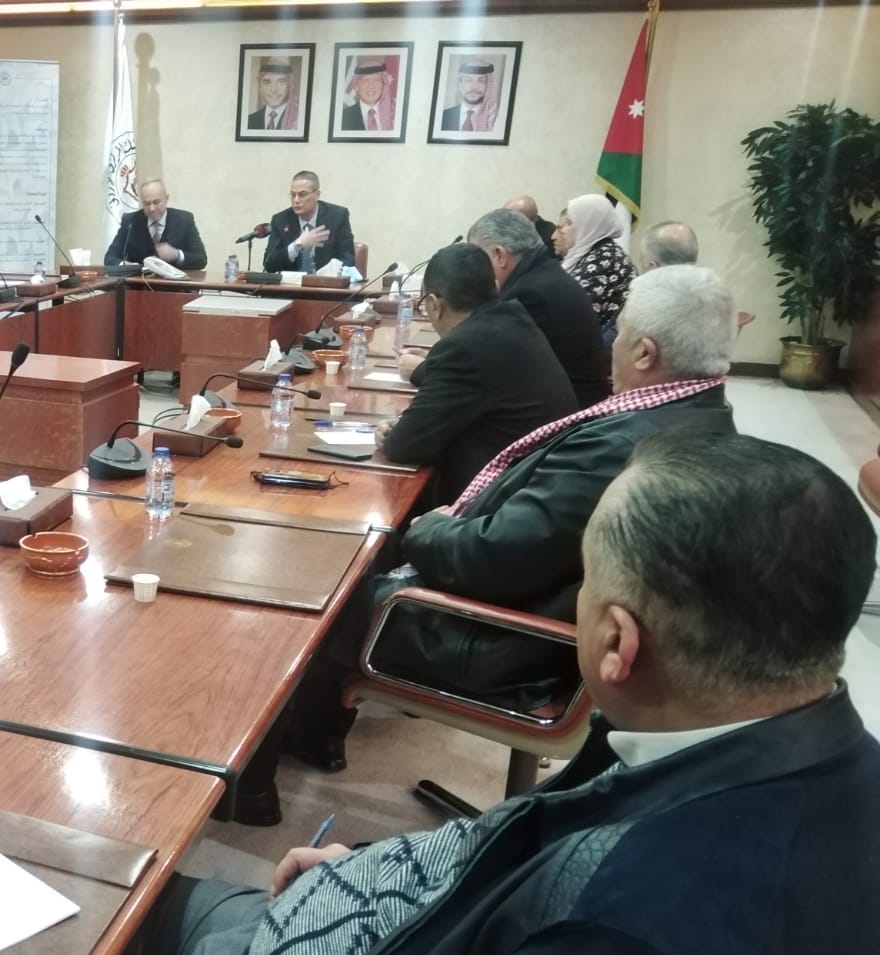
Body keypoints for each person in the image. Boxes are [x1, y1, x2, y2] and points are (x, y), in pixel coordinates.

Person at [0, 427, 880, 955]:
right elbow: (541, 862)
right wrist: (394, 883)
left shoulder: (642, 951)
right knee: (80, 889)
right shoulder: (789, 754)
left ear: (617, 641)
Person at [235, 265, 737, 824]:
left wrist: (429, 529)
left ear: (644, 353)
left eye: (617, 333)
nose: (609, 345)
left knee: (310, 589)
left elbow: (491, 559)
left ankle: (251, 786)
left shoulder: (621, 445)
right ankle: (312, 737)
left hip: (515, 646)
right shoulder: (702, 419)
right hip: (549, 616)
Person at [376, 243, 577, 504]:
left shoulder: (463, 348)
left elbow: (405, 446)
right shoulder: (514, 318)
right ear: (494, 286)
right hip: (544, 484)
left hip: (505, 500)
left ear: (434, 305)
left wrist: (391, 433)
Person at [468, 207, 610, 408]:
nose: (475, 270)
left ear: (499, 255)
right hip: (571, 404)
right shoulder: (544, 274)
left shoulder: (528, 295)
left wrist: (428, 366)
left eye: (478, 260)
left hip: (570, 417)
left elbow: (487, 366)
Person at [559, 193, 638, 330]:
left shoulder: (603, 260)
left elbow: (575, 315)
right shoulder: (595, 251)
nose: (563, 230)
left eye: (570, 223)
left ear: (588, 225)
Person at [103, 179, 207, 271]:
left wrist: (176, 254)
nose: (152, 208)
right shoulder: (130, 222)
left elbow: (201, 259)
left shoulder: (184, 220)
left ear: (166, 199)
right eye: (147, 204)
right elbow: (109, 258)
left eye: (156, 202)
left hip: (175, 285)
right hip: (138, 284)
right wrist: (129, 267)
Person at [262, 171, 354, 275]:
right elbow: (268, 264)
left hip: (325, 283)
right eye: (293, 195)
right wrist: (297, 245)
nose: (296, 200)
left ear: (317, 195)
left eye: (302, 194)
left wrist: (332, 275)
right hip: (291, 284)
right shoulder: (281, 220)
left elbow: (348, 260)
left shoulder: (337, 217)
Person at [440, 60, 499, 131]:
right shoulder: (444, 116)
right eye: (468, 80)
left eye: (481, 81)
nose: (474, 87)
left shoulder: (494, 119)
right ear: (460, 85)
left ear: (488, 85)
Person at [339, 56, 395, 132]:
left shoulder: (395, 116)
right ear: (356, 86)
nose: (371, 86)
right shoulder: (343, 118)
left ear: (384, 85)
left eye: (377, 80)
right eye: (365, 81)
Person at [245, 58, 298, 131]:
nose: (274, 90)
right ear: (260, 86)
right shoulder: (248, 121)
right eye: (267, 82)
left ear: (291, 85)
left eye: (281, 81)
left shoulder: (298, 120)